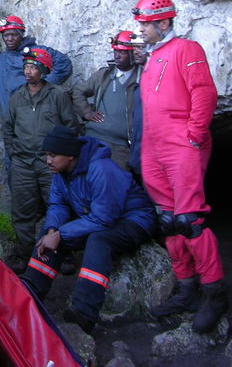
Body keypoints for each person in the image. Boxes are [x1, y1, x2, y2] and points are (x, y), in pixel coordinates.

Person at [133, 0, 226, 333]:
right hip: (154, 145)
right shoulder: (152, 57)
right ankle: (186, 289)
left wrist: (194, 136)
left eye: (146, 24)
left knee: (190, 220)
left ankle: (214, 292)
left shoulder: (187, 49)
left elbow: (204, 92)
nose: (141, 30)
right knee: (168, 220)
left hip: (180, 144)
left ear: (164, 22)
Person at [21, 126, 156, 334]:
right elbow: (58, 205)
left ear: (70, 156)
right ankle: (30, 290)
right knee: (47, 235)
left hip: (135, 219)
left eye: (53, 155)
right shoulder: (60, 172)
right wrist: (52, 230)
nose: (48, 160)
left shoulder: (101, 169)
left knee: (99, 240)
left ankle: (84, 312)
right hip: (99, 217)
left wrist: (61, 234)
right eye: (47, 155)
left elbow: (104, 219)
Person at [2, 47, 80, 273]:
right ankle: (24, 253)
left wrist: (62, 157)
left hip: (50, 164)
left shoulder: (57, 95)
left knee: (58, 206)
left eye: (33, 67)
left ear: (44, 70)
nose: (28, 71)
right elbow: (8, 128)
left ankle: (63, 254)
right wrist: (14, 151)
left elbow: (71, 126)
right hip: (23, 162)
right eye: (26, 66)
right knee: (22, 209)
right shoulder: (17, 96)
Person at [0, 15, 72, 116]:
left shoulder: (38, 52)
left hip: (37, 115)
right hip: (11, 118)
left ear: (21, 35)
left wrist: (44, 86)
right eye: (6, 35)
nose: (9, 39)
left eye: (14, 35)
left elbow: (64, 64)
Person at [72, 31, 143, 173]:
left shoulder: (141, 79)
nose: (117, 56)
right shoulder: (104, 75)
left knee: (118, 181)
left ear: (132, 54)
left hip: (121, 145)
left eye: (122, 52)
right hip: (93, 138)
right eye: (115, 51)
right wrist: (86, 112)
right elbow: (78, 91)